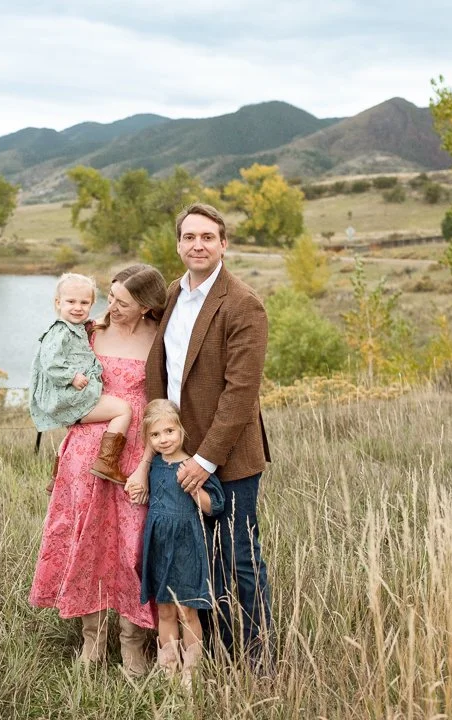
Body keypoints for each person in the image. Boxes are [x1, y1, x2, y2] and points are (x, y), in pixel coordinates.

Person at [130, 202, 273, 673]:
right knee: (193, 558)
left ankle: (255, 660)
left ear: (223, 243)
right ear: (178, 244)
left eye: (207, 237)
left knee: (237, 556)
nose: (198, 244)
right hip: (175, 453)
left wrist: (204, 461)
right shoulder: (174, 294)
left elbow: (240, 394)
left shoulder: (243, 303)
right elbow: (155, 359)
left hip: (225, 457)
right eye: (189, 237)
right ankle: (203, 652)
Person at [29, 264, 167, 676]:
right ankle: (92, 639)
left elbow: (165, 405)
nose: (112, 307)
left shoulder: (161, 341)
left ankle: (133, 640)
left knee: (132, 546)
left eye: (122, 302)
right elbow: (55, 376)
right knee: (85, 540)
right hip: (87, 451)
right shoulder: (88, 332)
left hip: (136, 452)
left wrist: (148, 462)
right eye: (110, 297)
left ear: (145, 306)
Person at [139, 399, 224, 689]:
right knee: (164, 609)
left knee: (187, 610)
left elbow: (216, 506)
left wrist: (195, 490)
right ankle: (168, 668)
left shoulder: (193, 466)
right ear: (148, 438)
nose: (164, 439)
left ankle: (193, 671)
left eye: (169, 431)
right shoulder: (153, 467)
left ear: (181, 430)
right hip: (160, 546)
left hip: (187, 544)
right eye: (155, 435)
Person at [29, 273, 134, 487]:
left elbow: (96, 318)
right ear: (58, 303)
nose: (78, 307)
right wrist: (72, 376)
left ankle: (57, 476)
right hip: (68, 394)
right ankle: (107, 463)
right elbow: (50, 362)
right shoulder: (60, 332)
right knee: (123, 409)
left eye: (84, 303)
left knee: (74, 432)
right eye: (71, 302)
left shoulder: (77, 326)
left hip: (72, 395)